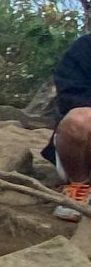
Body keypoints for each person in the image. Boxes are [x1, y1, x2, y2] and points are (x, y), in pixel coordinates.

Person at [44, 34, 91, 219]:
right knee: (78, 119)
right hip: (84, 147)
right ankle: (79, 186)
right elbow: (69, 97)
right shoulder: (85, 48)